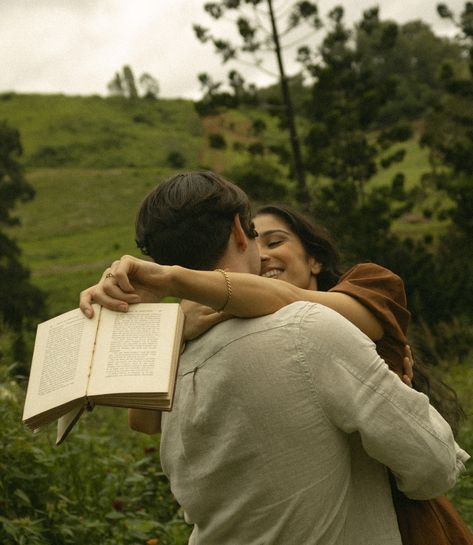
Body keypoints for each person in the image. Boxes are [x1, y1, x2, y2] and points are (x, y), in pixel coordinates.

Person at [80, 171, 469, 545]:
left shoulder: (171, 365)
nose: (264, 256)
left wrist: (153, 305)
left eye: (276, 241)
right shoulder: (307, 330)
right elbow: (434, 468)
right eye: (255, 235)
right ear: (238, 230)